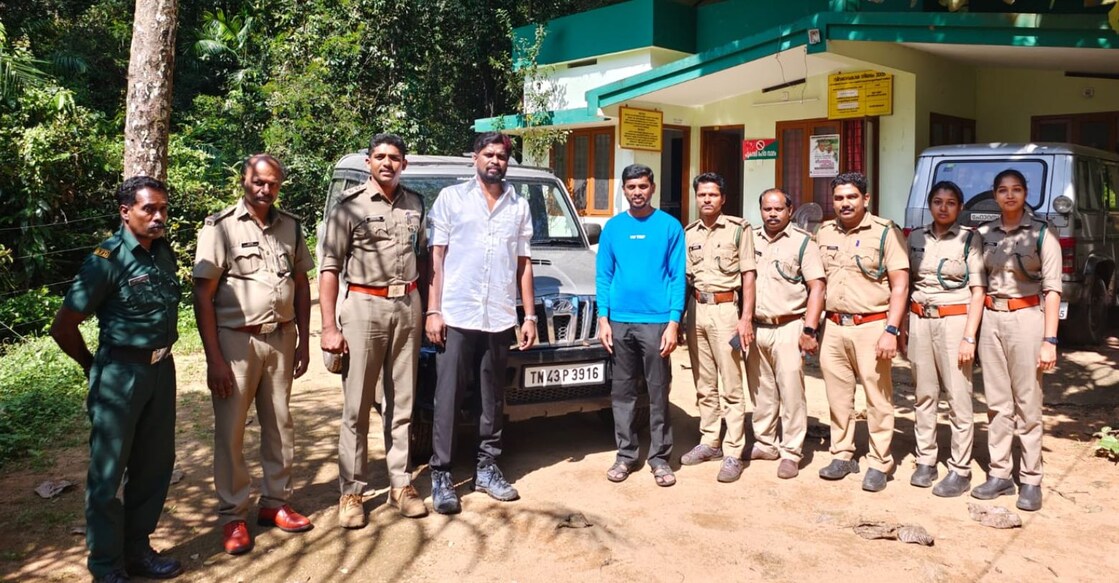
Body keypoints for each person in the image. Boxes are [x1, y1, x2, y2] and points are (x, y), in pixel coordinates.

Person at [50, 176, 184, 583]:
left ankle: (137, 550)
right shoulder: (105, 260)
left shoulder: (162, 253)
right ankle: (107, 566)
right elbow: (63, 326)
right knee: (107, 474)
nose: (159, 217)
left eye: (163, 209)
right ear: (126, 212)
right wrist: (93, 366)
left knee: (155, 464)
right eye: (149, 209)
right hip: (120, 374)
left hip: (161, 370)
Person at [192, 154, 314, 553]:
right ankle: (233, 515)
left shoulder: (290, 226)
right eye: (259, 182)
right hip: (236, 342)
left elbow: (301, 283)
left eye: (273, 183)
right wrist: (214, 359)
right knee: (231, 429)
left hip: (281, 337)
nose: (266, 189)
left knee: (280, 423)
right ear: (244, 180)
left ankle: (275, 502)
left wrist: (303, 339)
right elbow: (203, 295)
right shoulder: (220, 227)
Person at [424, 132, 537, 514]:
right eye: (488, 154)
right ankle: (441, 473)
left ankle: (486, 469)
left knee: (493, 397)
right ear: (474, 157)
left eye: (501, 156)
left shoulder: (519, 206)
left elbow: (523, 264)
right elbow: (437, 259)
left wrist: (528, 316)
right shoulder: (451, 199)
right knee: (449, 396)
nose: (495, 161)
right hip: (457, 314)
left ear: (507, 162)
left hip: (499, 316)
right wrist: (434, 311)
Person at [320, 133, 429, 527]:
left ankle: (401, 483)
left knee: (403, 402)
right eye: (380, 156)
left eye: (394, 157)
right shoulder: (349, 206)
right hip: (364, 306)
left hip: (408, 305)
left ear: (404, 164)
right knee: (358, 405)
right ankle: (352, 492)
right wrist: (328, 327)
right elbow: (329, 267)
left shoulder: (416, 203)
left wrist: (427, 308)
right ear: (368, 162)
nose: (387, 163)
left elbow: (422, 257)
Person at [970, 169, 1061, 512]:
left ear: (1025, 194)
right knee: (996, 402)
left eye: (1017, 189)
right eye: (1003, 190)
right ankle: (1000, 473)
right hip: (992, 319)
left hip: (1027, 318)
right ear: (994, 195)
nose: (1010, 195)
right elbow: (977, 285)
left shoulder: (1042, 233)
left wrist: (1049, 340)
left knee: (1028, 402)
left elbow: (1053, 290)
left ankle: (1031, 478)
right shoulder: (983, 234)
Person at [815, 172, 909, 492]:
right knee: (838, 396)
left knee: (877, 397)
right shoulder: (824, 231)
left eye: (852, 197)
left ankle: (879, 461)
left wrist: (891, 330)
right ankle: (842, 453)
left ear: (865, 199)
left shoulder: (885, 232)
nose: (845, 203)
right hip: (833, 326)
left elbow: (900, 285)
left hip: (872, 325)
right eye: (839, 198)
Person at [597, 164, 686, 487]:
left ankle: (660, 458)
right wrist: (603, 319)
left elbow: (677, 277)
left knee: (658, 391)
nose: (638, 192)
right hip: (620, 322)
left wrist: (674, 322)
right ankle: (625, 455)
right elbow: (604, 274)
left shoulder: (669, 226)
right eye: (632, 187)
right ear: (624, 190)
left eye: (643, 186)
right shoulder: (613, 228)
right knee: (623, 392)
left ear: (653, 188)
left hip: (657, 322)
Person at [904, 181, 986, 498]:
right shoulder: (915, 238)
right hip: (920, 319)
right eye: (937, 201)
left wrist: (969, 337)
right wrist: (903, 327)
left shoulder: (970, 239)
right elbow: (906, 284)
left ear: (960, 207)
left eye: (951, 202)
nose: (943, 207)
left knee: (958, 395)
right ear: (930, 204)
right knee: (924, 394)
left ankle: (960, 469)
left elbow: (978, 291)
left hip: (954, 321)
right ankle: (926, 460)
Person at [680, 172, 756, 483]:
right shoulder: (689, 233)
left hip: (727, 310)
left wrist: (745, 318)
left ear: (723, 199)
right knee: (704, 382)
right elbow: (685, 279)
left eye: (713, 194)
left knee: (732, 384)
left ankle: (733, 451)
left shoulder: (739, 229)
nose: (707, 199)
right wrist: (680, 319)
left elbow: (748, 276)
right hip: (697, 308)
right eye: (702, 195)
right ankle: (710, 440)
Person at [746, 188, 826, 480]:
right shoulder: (750, 239)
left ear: (790, 211)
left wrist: (809, 329)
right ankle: (765, 443)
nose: (772, 214)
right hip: (757, 326)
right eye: (767, 209)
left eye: (778, 209)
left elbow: (817, 287)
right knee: (761, 390)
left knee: (791, 391)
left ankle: (791, 451)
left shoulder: (803, 243)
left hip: (789, 326)